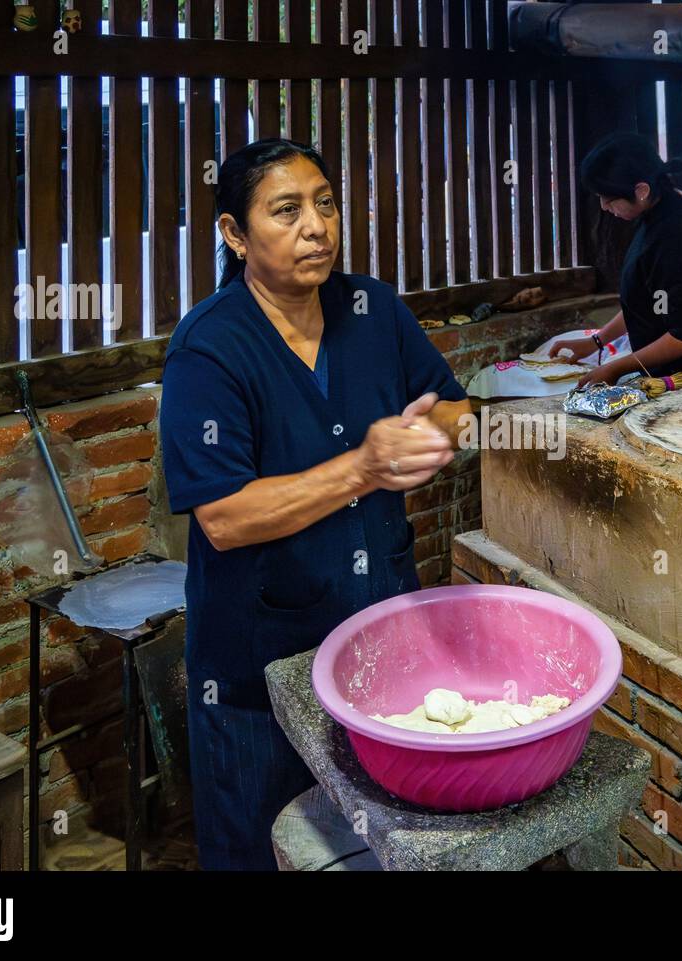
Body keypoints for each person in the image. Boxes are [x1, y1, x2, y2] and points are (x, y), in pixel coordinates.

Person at [159, 139, 472, 869]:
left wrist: (432, 435)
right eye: (287, 210)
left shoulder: (373, 310)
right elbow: (225, 517)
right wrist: (364, 465)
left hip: (380, 644)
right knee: (262, 845)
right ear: (235, 234)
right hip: (260, 669)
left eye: (326, 202)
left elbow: (456, 406)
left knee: (371, 842)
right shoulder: (209, 349)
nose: (317, 226)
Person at [550, 132, 682, 386]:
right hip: (668, 370)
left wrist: (616, 368)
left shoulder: (679, 236)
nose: (603, 207)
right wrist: (595, 342)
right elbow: (647, 301)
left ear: (641, 190)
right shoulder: (661, 208)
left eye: (609, 198)